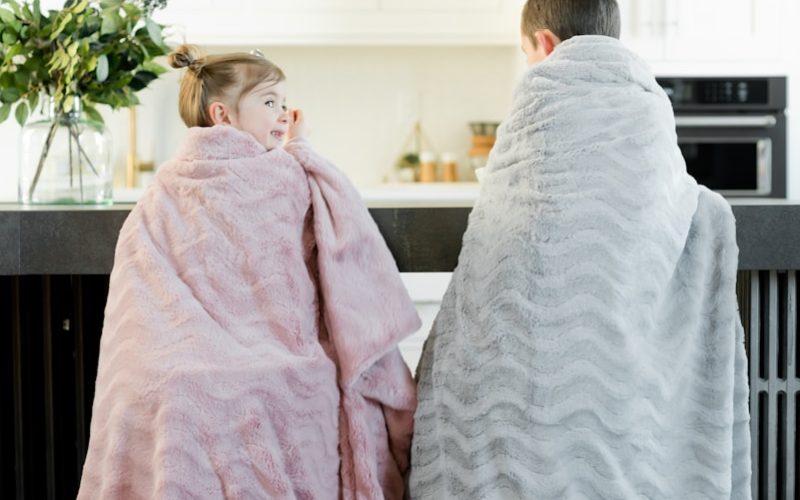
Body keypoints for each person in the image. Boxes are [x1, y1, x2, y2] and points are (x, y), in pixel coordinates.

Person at [409, 1, 751, 498]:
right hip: (620, 382)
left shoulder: (542, 93)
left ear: (545, 44)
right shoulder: (649, 103)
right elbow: (672, 194)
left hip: (525, 389)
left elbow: (510, 200)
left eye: (527, 54)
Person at [78, 45, 421, 499]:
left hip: (265, 346)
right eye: (269, 101)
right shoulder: (205, 182)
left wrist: (299, 149)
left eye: (284, 101)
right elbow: (147, 283)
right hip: (204, 348)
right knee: (205, 387)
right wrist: (302, 152)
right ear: (222, 115)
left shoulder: (272, 173)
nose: (285, 112)